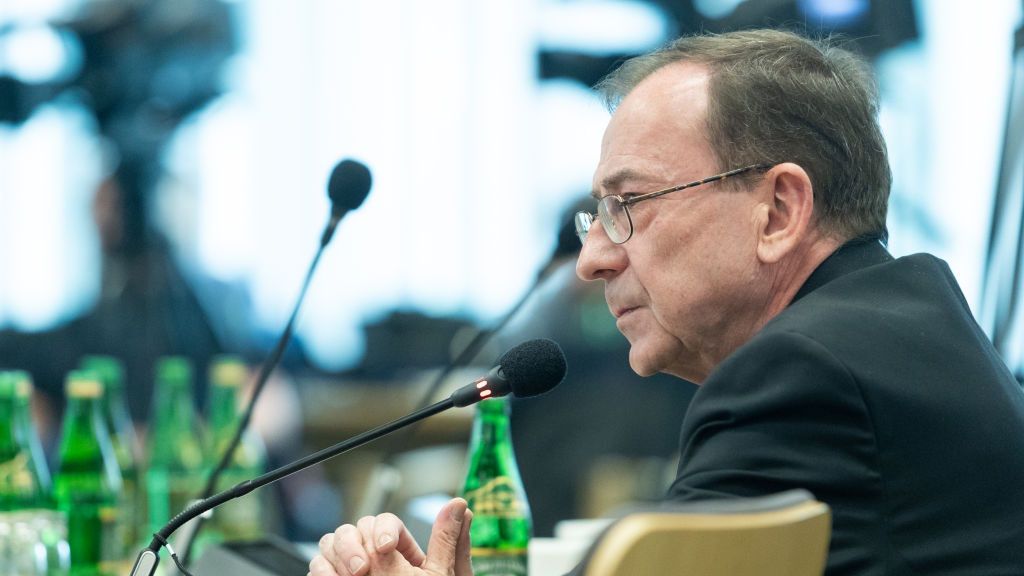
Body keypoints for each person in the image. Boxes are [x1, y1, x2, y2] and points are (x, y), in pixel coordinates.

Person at [307, 29, 1024, 576]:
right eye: (597, 215)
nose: (591, 259)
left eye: (628, 204)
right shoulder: (905, 323)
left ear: (778, 211)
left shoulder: (801, 376)